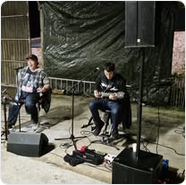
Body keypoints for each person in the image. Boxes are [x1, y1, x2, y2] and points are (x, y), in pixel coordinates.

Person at [8, 54, 50, 131]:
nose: (30, 63)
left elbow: (47, 85)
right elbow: (19, 82)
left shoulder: (41, 73)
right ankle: (10, 124)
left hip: (33, 93)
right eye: (28, 61)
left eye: (32, 61)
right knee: (13, 104)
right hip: (22, 92)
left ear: (36, 62)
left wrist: (43, 89)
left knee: (29, 104)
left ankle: (34, 121)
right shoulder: (23, 70)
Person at [89, 62, 126, 138]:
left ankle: (114, 130)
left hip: (113, 102)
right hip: (102, 100)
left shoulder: (120, 79)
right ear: (104, 72)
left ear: (114, 71)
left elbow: (123, 94)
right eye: (106, 74)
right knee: (92, 105)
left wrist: (116, 96)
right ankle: (99, 124)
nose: (108, 76)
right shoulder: (101, 75)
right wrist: (95, 91)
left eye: (110, 74)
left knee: (116, 110)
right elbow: (96, 84)